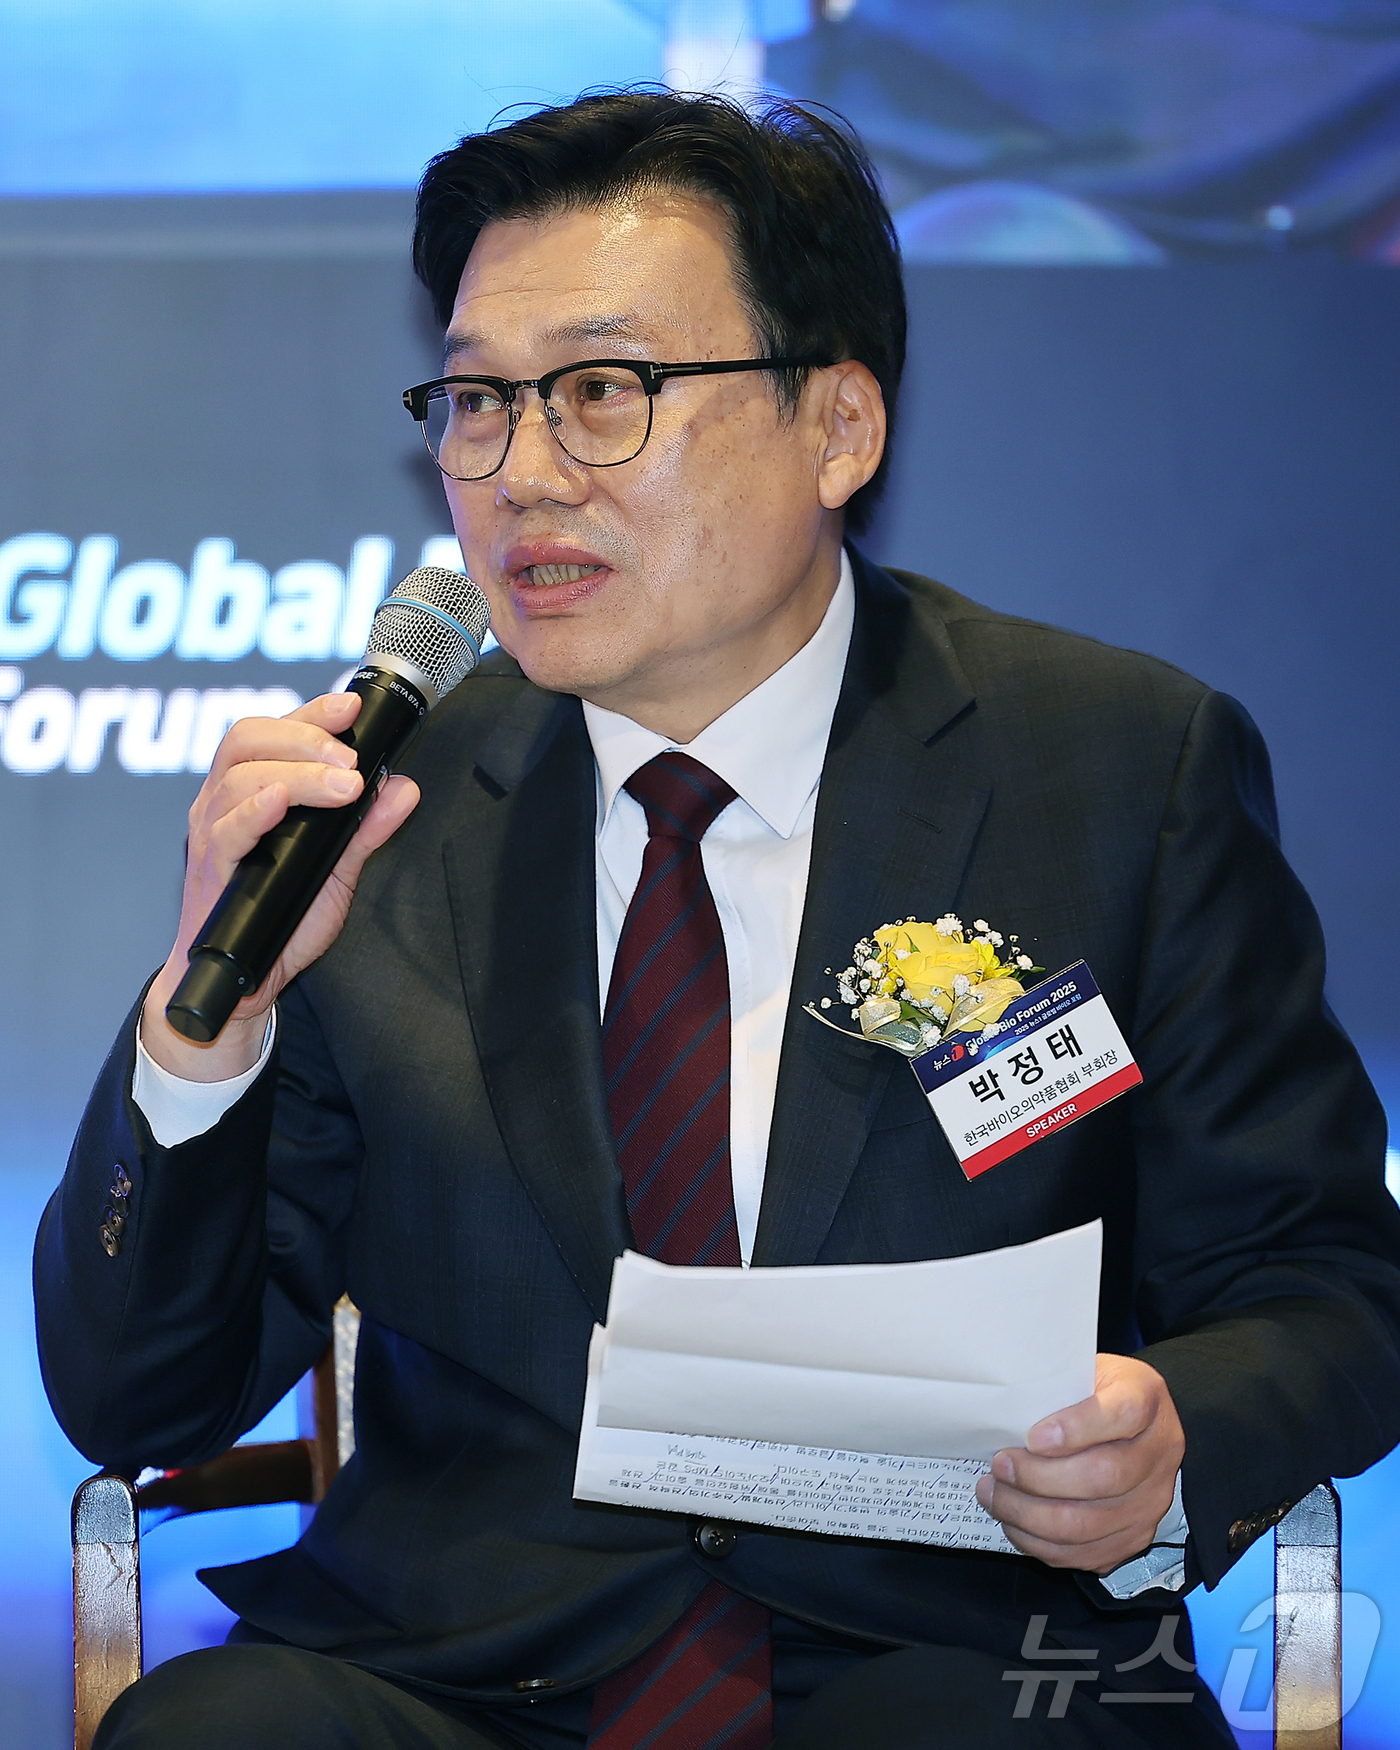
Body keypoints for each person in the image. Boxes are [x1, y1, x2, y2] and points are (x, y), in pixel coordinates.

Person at [35, 91, 1400, 1749]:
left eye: (603, 393)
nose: (523, 473)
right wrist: (206, 1028)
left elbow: (1326, 1280)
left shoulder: (1113, 769)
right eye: (479, 401)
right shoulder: (377, 816)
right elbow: (142, 1396)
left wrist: (1172, 1434)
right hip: (464, 1672)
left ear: (839, 426)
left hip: (966, 1657)